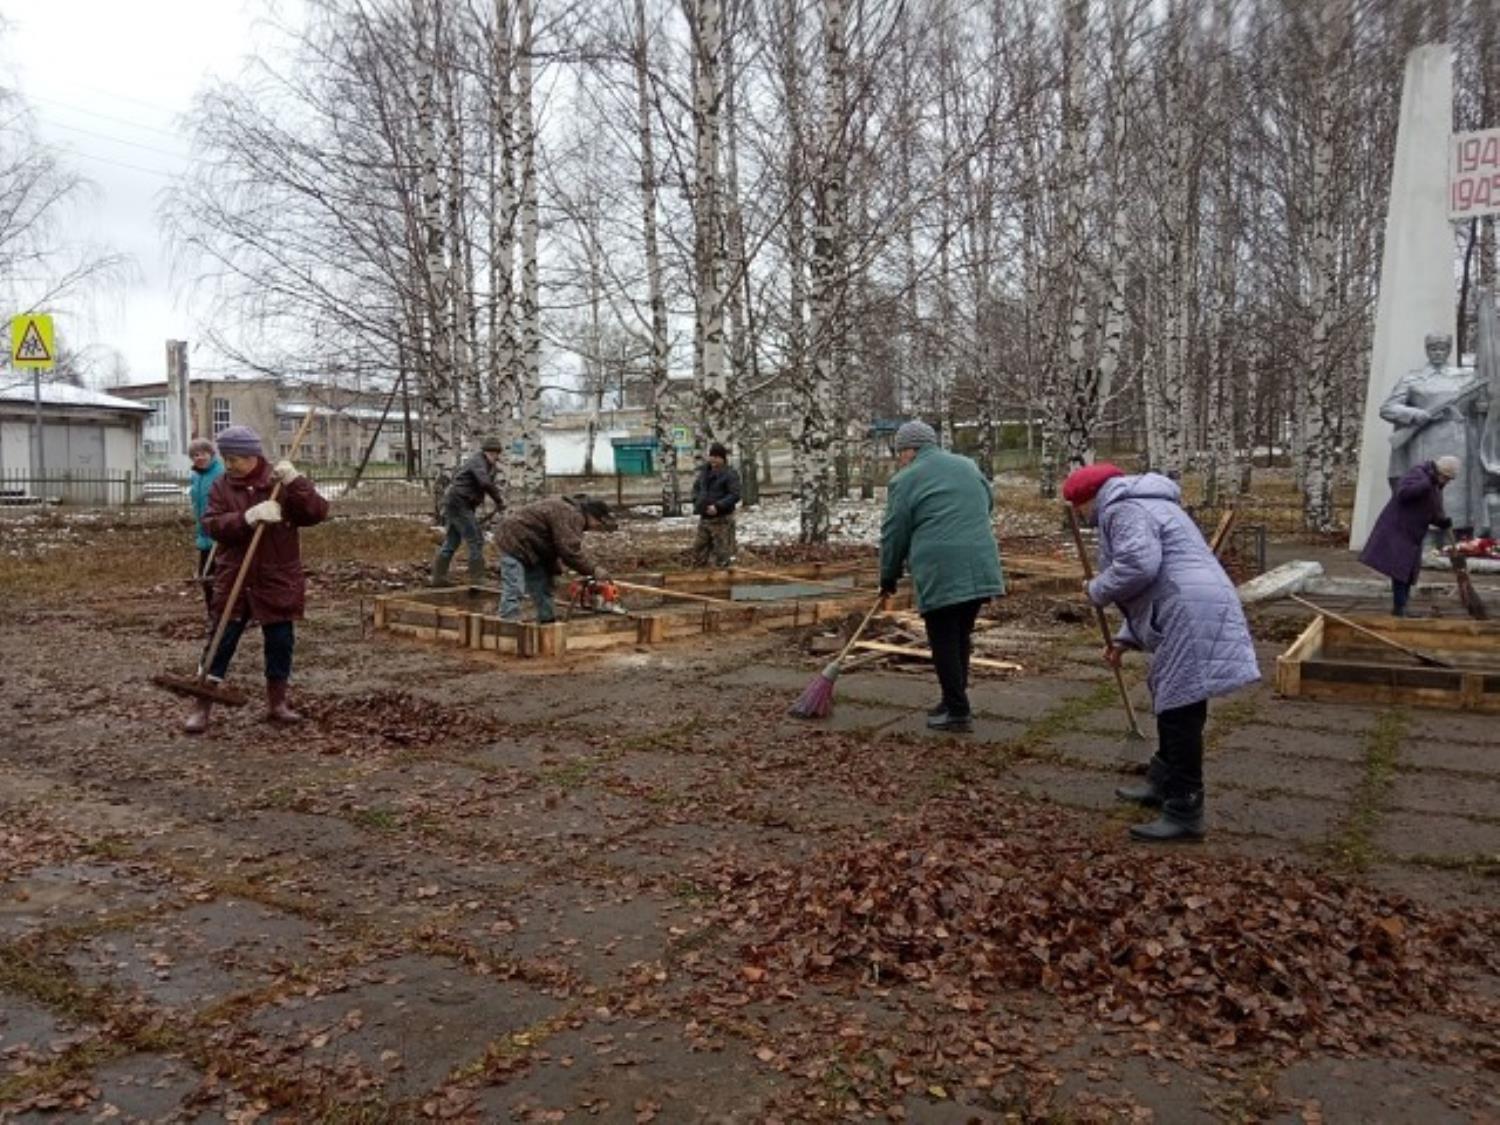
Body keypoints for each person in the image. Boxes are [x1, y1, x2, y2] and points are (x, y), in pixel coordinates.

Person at [1065, 462, 1259, 843]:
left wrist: (1095, 589)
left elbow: (1139, 565)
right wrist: (1124, 638)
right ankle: (1163, 783)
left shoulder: (1123, 509)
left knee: (1179, 710)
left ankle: (1185, 808)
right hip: (1191, 603)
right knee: (1176, 700)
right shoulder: (1151, 503)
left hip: (1187, 609)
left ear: (1088, 499)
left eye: (1079, 508)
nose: (1082, 517)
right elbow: (1154, 579)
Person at [186, 425, 330, 734]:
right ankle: (202, 703)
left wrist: (297, 482)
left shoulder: (279, 483)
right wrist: (247, 518)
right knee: (221, 638)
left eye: (235, 458)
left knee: (280, 641)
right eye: (226, 458)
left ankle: (277, 703)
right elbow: (211, 524)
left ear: (253, 456)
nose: (230, 465)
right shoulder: (222, 486)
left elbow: (317, 513)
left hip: (276, 576)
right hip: (235, 573)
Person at [878, 420, 1005, 733]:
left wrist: (888, 575)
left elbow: (895, 531)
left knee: (943, 639)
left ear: (910, 450)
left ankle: (958, 710)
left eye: (900, 453)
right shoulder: (967, 465)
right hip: (981, 562)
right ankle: (953, 699)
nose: (899, 459)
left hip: (941, 567)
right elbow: (988, 503)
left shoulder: (906, 479)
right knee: (961, 634)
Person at [1381, 332, 1489, 536]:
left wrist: (1482, 406)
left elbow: (1479, 407)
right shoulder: (1412, 378)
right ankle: (1425, 537)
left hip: (1459, 441)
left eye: (1442, 349)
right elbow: (1387, 408)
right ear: (1426, 350)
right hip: (1424, 441)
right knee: (1425, 488)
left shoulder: (1466, 378)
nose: (1438, 353)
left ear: (1449, 350)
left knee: (1457, 491)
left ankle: (1457, 536)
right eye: (1433, 349)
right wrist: (1417, 414)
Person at [1358, 456, 1460, 617]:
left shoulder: (1436, 485)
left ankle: (1401, 607)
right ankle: (1400, 608)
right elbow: (1403, 493)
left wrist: (1441, 522)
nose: (1447, 482)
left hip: (1412, 533)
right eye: (1447, 478)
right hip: (1398, 528)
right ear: (1440, 472)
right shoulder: (1419, 473)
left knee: (1409, 571)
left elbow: (1429, 509)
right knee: (1400, 569)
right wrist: (1428, 482)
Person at [493, 494, 617, 623]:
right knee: (515, 587)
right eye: (598, 522)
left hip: (533, 545)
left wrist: (554, 569)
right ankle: (507, 625)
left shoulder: (571, 512)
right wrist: (593, 570)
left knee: (543, 585)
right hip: (513, 540)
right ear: (591, 515)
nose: (596, 526)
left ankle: (547, 623)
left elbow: (555, 545)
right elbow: (569, 551)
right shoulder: (572, 515)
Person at [431, 436, 507, 587]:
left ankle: (438, 578)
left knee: (452, 541)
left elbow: (483, 484)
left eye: (497, 454)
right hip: (459, 503)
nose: (496, 457)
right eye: (493, 454)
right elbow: (485, 482)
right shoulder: (478, 462)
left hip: (458, 503)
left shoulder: (485, 464)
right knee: (476, 539)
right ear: (487, 452)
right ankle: (477, 579)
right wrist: (499, 500)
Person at [188, 438, 225, 630]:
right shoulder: (195, 476)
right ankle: (213, 613)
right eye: (195, 455)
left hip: (220, 534)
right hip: (204, 534)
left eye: (203, 453)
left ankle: (229, 614)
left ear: (211, 454)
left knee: (222, 578)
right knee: (206, 577)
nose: (199, 458)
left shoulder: (221, 474)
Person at [691, 442, 741, 568]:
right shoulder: (704, 472)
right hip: (705, 519)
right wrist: (697, 502)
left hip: (721, 520)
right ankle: (700, 577)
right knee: (698, 550)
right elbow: (696, 489)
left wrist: (717, 506)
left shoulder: (730, 474)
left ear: (722, 458)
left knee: (721, 554)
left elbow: (735, 495)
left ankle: (724, 580)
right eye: (711, 456)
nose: (713, 459)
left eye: (716, 456)